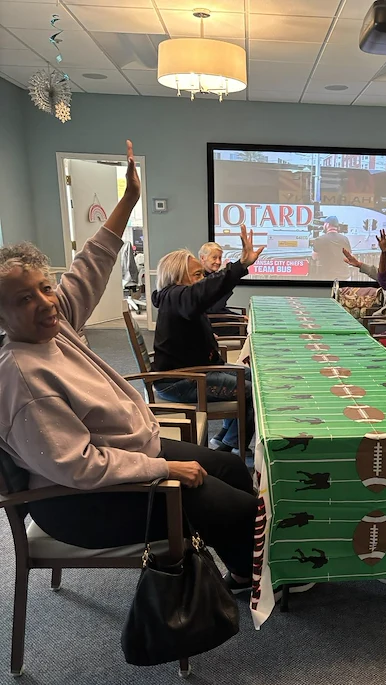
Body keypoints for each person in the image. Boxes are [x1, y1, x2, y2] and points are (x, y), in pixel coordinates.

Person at [0, 140, 258, 593]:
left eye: (45, 288)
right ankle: (246, 575)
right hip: (83, 503)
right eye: (25, 298)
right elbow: (77, 467)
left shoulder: (49, 326)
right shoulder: (22, 377)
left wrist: (128, 200)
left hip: (126, 460)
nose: (46, 302)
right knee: (233, 507)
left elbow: (90, 266)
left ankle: (243, 561)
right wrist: (162, 470)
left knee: (231, 469)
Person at [152, 227, 263, 454]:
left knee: (257, 378)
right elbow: (203, 292)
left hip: (194, 370)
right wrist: (240, 265)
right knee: (252, 391)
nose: (202, 279)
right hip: (181, 380)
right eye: (197, 275)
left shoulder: (175, 298)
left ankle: (224, 438)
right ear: (177, 277)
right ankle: (232, 448)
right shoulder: (176, 295)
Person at [199, 241, 245, 336]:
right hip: (213, 325)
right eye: (214, 258)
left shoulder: (213, 276)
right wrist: (226, 285)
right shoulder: (200, 280)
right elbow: (213, 309)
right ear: (203, 258)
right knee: (250, 329)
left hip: (219, 318)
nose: (218, 262)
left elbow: (221, 308)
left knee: (250, 324)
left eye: (220, 258)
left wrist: (239, 317)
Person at [312, 215, 351, 280]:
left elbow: (314, 257)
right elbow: (350, 256)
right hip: (345, 276)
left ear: (327, 225)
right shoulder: (345, 239)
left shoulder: (319, 239)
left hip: (328, 277)